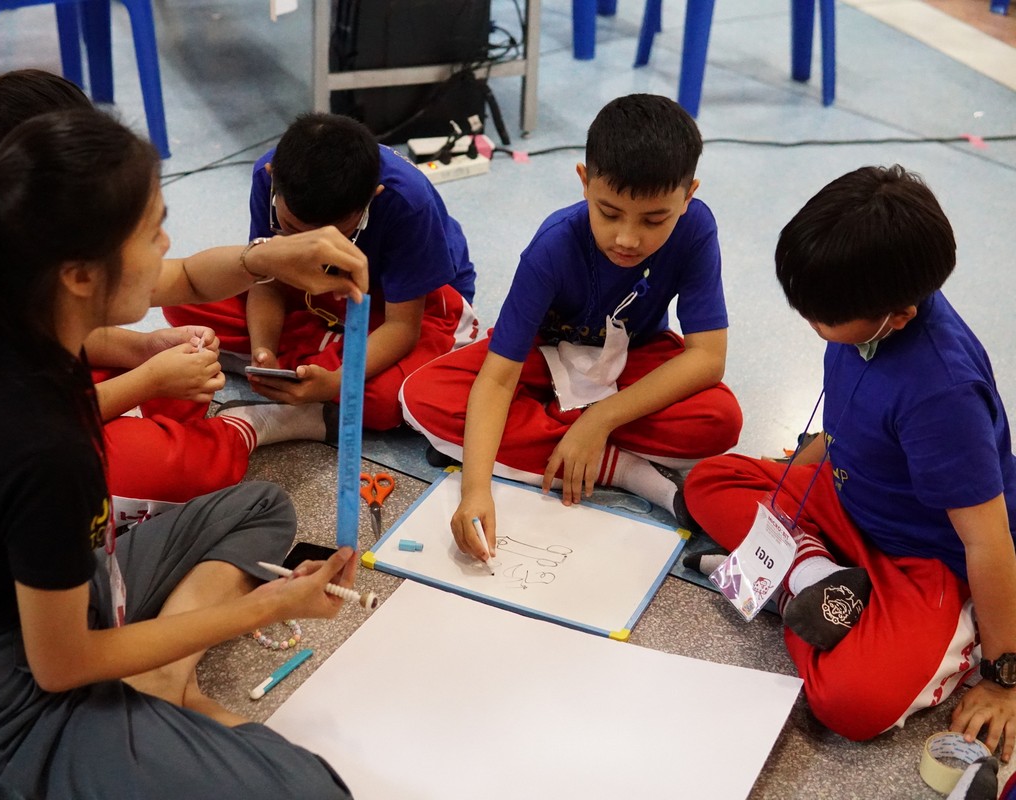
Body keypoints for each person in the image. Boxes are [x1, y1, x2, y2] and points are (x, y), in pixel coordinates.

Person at [0, 106, 357, 798]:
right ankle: (144, 700)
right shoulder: (43, 445)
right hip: (12, 715)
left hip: (77, 596)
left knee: (261, 506)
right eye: (153, 230)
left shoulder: (13, 311)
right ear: (81, 274)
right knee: (311, 790)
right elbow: (62, 667)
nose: (167, 245)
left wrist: (269, 259)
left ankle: (159, 681)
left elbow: (189, 280)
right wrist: (269, 605)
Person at [0, 71, 366, 523]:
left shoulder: (2, 219)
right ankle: (242, 427)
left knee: (178, 379)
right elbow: (18, 420)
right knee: (159, 468)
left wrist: (146, 347)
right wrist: (148, 378)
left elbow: (172, 281)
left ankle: (167, 421)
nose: (162, 244)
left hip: (0, 396)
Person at [683, 165, 1016, 756]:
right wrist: (790, 476)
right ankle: (815, 579)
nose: (811, 322)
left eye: (823, 317)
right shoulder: (868, 309)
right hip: (851, 500)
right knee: (711, 479)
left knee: (851, 702)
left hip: (926, 561)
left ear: (900, 314)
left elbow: (988, 542)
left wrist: (1003, 678)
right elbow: (841, 427)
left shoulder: (942, 394)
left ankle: (801, 589)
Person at [399, 94, 742, 562]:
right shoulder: (554, 245)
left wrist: (599, 419)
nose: (627, 238)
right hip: (545, 360)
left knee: (721, 420)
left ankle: (548, 437)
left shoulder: (696, 228)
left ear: (688, 196)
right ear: (584, 182)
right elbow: (498, 378)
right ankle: (623, 469)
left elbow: (707, 357)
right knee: (421, 395)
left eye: (654, 219)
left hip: (631, 359)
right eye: (609, 213)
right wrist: (474, 491)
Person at [164, 111, 479, 434]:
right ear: (273, 179)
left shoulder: (407, 201)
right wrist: (264, 351)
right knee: (183, 299)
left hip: (405, 303)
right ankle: (311, 368)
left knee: (386, 400)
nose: (312, 247)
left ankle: (313, 395)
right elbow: (266, 281)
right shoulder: (267, 176)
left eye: (338, 234)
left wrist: (337, 382)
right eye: (291, 228)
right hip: (318, 291)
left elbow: (402, 326)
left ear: (373, 197)